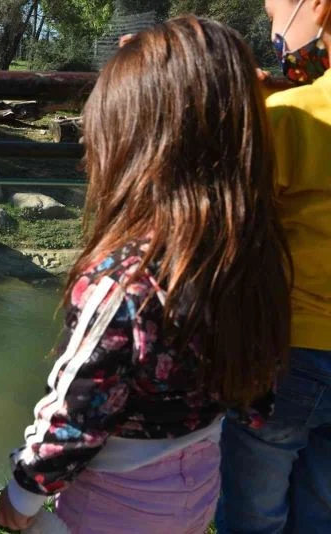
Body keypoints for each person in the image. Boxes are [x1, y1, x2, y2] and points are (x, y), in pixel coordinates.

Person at [0, 16, 292, 534]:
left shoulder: (122, 281)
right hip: (201, 474)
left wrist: (23, 493)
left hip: (117, 500)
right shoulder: (245, 250)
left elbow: (77, 407)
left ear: (129, 148)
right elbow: (258, 384)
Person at [216, 1, 331, 532]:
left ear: (319, 9)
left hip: (290, 349)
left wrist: (253, 115)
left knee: (252, 510)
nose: (274, 30)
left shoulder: (290, 117)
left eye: (272, 14)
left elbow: (238, 228)